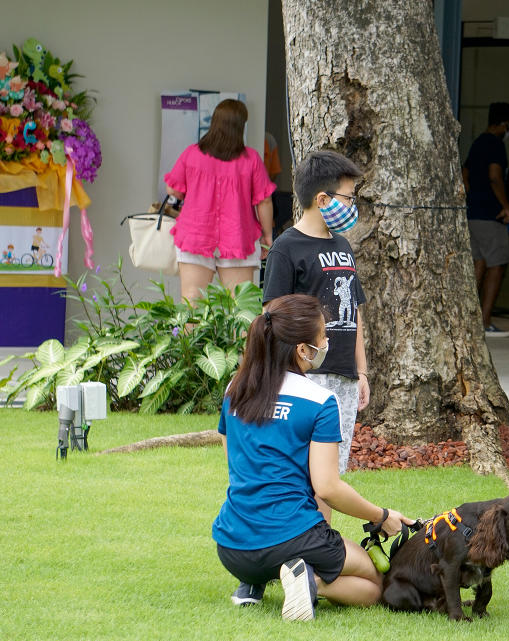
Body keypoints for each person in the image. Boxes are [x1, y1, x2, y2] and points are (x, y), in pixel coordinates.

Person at [213, 294, 414, 620]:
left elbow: (236, 464)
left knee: (273, 541)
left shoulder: (234, 389)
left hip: (231, 544)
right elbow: (327, 488)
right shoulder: (319, 400)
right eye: (322, 335)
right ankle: (310, 582)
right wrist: (382, 515)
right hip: (293, 538)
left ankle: (251, 583)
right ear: (302, 350)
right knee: (375, 584)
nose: (327, 341)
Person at [262, 150, 367, 477]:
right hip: (307, 377)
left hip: (344, 378)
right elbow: (273, 316)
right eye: (348, 197)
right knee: (302, 470)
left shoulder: (343, 246)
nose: (352, 205)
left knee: (331, 475)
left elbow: (355, 311)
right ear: (323, 199)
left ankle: (323, 530)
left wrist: (361, 372)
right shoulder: (286, 248)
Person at [165, 99, 275, 302]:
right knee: (240, 305)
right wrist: (267, 235)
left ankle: (190, 336)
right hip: (238, 236)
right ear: (240, 126)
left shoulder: (192, 153)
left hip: (195, 234)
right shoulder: (251, 159)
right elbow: (264, 201)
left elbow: (173, 188)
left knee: (191, 301)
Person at [462, 102, 509, 338]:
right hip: (490, 215)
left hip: (473, 213)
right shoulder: (495, 144)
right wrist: (505, 206)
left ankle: (467, 319)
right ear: (504, 124)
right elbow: (495, 177)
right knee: (497, 264)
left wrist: (471, 198)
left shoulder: (477, 143)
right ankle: (484, 321)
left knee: (479, 263)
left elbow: (464, 174)